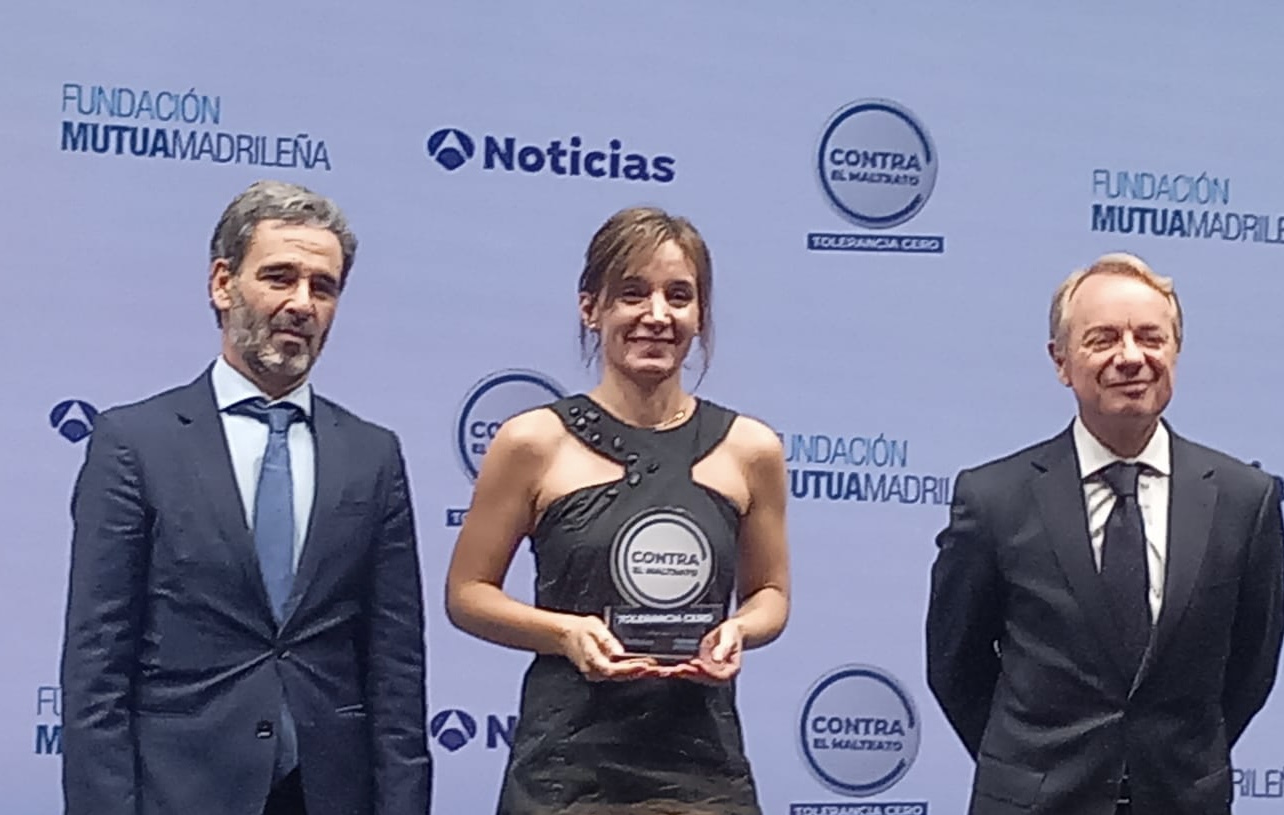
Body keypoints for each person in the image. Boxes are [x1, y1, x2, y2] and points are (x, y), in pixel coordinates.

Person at [60, 180, 431, 815]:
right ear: (222, 283)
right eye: (279, 277)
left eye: (323, 287)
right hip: (180, 792)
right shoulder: (135, 444)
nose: (302, 303)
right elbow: (97, 666)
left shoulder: (372, 455)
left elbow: (397, 671)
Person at [445, 206, 790, 814]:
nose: (657, 315)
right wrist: (565, 633)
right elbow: (467, 594)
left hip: (702, 770)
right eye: (632, 293)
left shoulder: (751, 449)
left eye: (678, 296)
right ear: (591, 308)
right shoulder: (532, 442)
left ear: (700, 315)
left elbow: (771, 594)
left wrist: (739, 629)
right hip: (566, 772)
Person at [924, 252, 1284, 814]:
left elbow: (1251, 666)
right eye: (1103, 339)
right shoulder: (994, 499)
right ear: (1061, 361)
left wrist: (1170, 765)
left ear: (1175, 350)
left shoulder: (1244, 500)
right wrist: (1025, 767)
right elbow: (955, 665)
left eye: (1151, 338)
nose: (1131, 357)